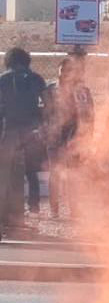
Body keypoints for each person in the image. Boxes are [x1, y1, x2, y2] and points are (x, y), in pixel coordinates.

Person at [0, 48, 46, 228]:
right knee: (21, 176)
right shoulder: (37, 79)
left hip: (7, 133)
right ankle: (17, 218)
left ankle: (2, 217)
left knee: (4, 177)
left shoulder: (2, 80)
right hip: (30, 134)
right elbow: (46, 106)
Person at [43, 58, 93, 219]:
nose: (65, 73)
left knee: (73, 175)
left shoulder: (83, 91)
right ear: (58, 71)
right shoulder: (50, 89)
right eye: (63, 70)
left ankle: (74, 210)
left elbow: (90, 115)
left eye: (69, 70)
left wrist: (87, 137)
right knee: (55, 174)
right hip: (55, 136)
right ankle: (54, 209)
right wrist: (45, 131)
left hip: (76, 137)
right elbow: (43, 113)